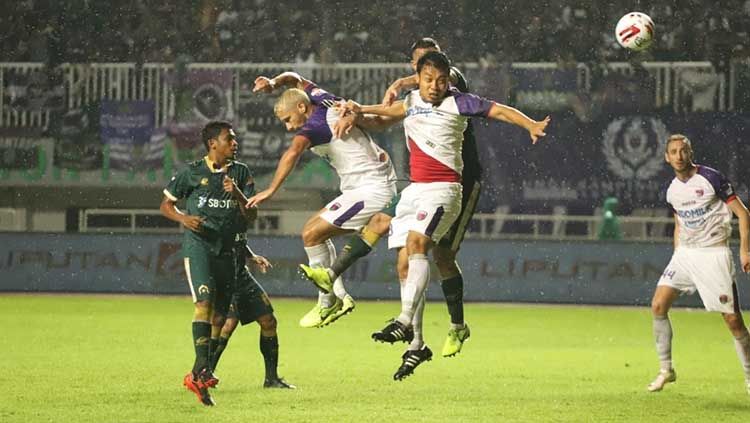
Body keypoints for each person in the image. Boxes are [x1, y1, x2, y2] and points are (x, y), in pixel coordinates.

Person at [338, 51, 549, 380]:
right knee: (406, 261)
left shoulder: (460, 102)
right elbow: (387, 113)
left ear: (448, 78)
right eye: (428, 79)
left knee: (419, 243)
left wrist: (529, 124)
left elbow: (499, 110)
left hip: (444, 189)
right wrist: (359, 110)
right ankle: (417, 344)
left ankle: (405, 321)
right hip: (415, 190)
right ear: (418, 78)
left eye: (441, 80)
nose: (435, 86)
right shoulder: (410, 101)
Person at [301, 37, 484, 358]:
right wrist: (356, 115)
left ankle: (457, 326)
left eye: (430, 64)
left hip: (460, 181)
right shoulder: (414, 99)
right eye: (418, 65)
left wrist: (401, 82)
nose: (426, 72)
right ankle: (410, 334)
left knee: (442, 258)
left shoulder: (450, 84)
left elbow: (446, 77)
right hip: (423, 184)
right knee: (391, 235)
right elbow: (382, 120)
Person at [248, 71, 398, 328]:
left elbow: (292, 152)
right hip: (363, 186)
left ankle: (327, 303)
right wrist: (273, 83)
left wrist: (271, 190)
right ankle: (338, 296)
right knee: (314, 232)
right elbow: (294, 77)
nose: (289, 127)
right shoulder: (319, 96)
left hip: (372, 188)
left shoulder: (315, 124)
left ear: (301, 107)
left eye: (288, 120)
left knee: (310, 235)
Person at [160, 121, 255, 406]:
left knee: (219, 317)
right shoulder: (192, 172)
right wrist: (183, 219)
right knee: (203, 302)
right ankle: (202, 370)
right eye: (230, 139)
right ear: (213, 143)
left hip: (228, 251)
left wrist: (236, 192)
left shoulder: (241, 172)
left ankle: (197, 373)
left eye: (235, 140)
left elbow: (252, 215)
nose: (235, 144)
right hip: (199, 246)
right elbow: (166, 204)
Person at [648, 134, 750, 395]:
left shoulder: (711, 178)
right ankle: (666, 369)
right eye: (674, 152)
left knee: (732, 321)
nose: (679, 156)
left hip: (713, 254)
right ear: (667, 158)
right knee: (658, 306)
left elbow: (743, 214)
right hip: (686, 255)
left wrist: (745, 250)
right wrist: (677, 254)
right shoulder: (671, 191)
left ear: (690, 153)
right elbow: (679, 222)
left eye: (683, 151)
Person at [207, 192, 295, 389]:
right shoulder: (220, 219)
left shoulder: (240, 219)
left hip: (242, 275)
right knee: (227, 325)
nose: (252, 213)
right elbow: (212, 247)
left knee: (268, 321)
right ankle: (204, 373)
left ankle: (271, 379)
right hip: (227, 277)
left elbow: (239, 241)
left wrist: (252, 256)